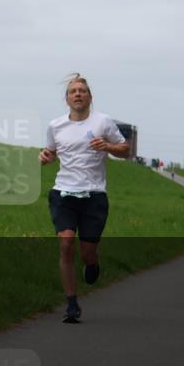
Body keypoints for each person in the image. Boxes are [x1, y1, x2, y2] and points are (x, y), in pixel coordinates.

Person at [39, 74, 131, 324]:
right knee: (66, 244)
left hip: (94, 196)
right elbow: (51, 152)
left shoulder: (103, 122)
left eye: (82, 90)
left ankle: (92, 264)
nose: (78, 94)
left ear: (90, 97)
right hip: (63, 193)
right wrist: (45, 157)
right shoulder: (55, 125)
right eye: (73, 91)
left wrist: (108, 147)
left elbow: (126, 150)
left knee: (87, 252)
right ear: (67, 99)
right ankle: (71, 304)